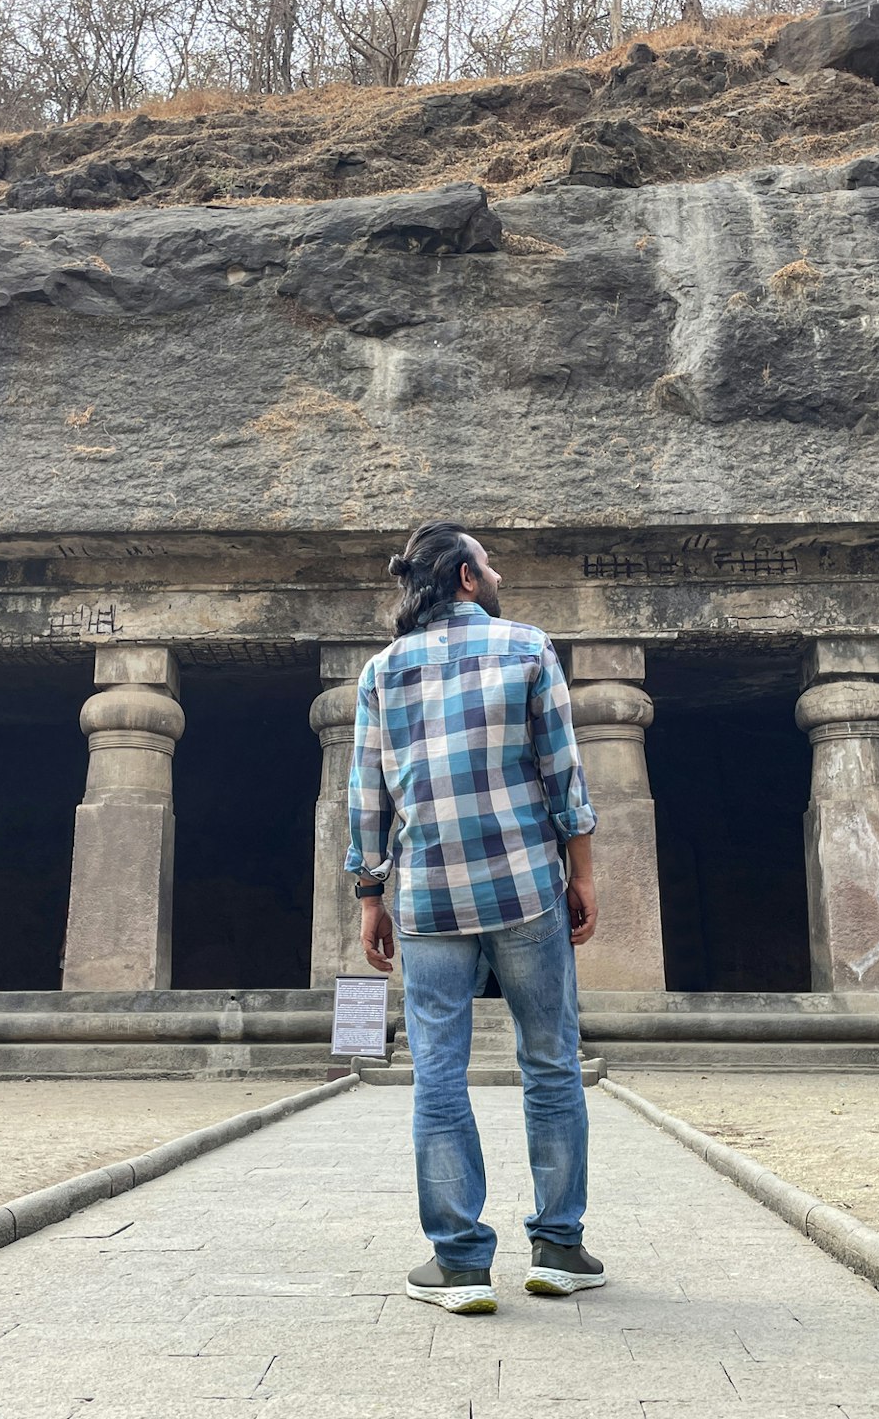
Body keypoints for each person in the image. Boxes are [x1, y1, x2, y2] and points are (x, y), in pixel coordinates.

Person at [346, 520, 605, 1316]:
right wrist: (581, 875)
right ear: (465, 578)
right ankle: (559, 1248)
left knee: (437, 1073)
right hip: (525, 886)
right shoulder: (528, 648)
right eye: (488, 566)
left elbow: (368, 798)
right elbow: (563, 774)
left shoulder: (383, 672)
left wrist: (369, 896)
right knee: (552, 1063)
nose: (497, 575)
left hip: (426, 897)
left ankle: (458, 1263)